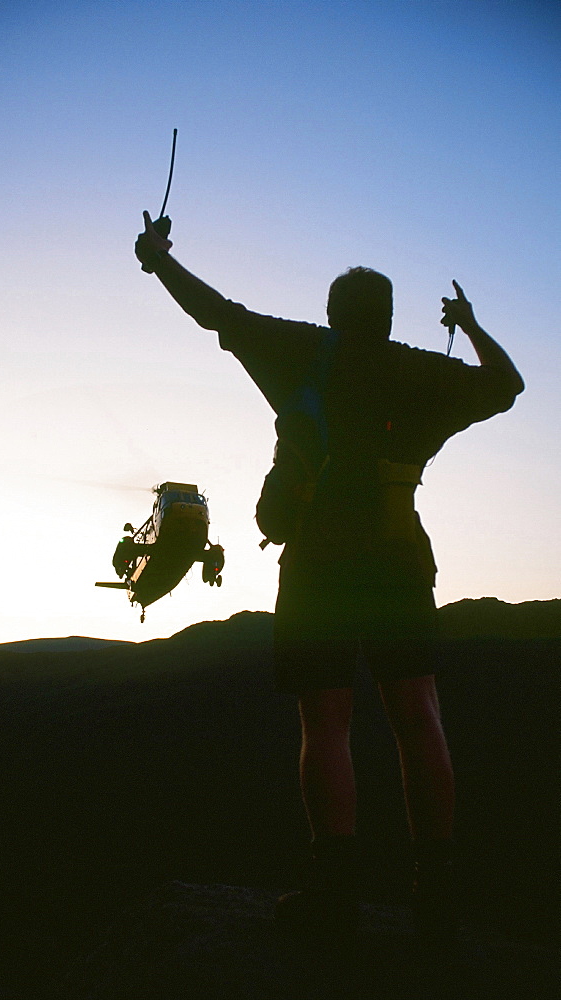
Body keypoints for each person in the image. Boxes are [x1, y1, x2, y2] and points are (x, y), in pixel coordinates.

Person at [134, 211, 525, 947]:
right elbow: (507, 385)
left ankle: (333, 893)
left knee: (325, 724)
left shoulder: (298, 351)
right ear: (385, 317)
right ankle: (434, 897)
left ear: (332, 314)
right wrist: (468, 323)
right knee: (420, 719)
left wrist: (157, 259)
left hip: (316, 562)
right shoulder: (423, 372)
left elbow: (217, 314)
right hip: (398, 559)